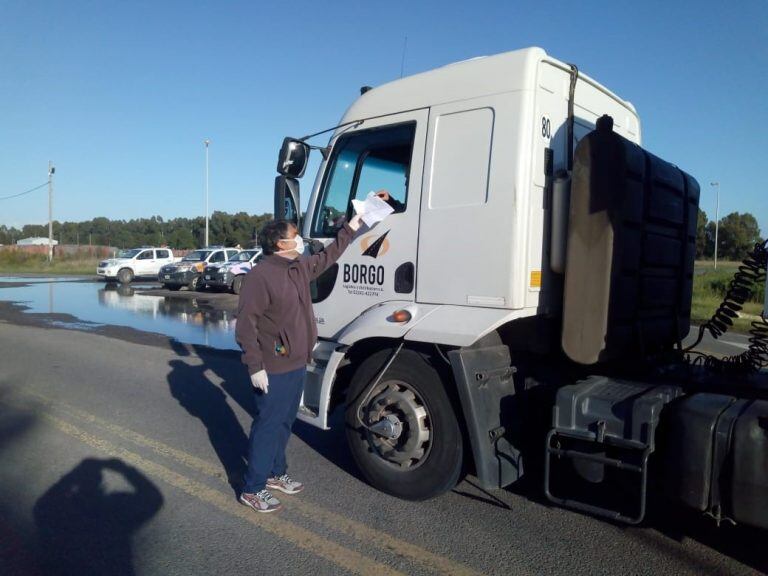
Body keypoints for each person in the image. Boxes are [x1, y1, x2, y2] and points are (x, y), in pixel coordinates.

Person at [235, 213, 364, 513]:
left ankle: (275, 473)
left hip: (296, 362)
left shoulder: (298, 267)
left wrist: (353, 226)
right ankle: (252, 488)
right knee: (268, 425)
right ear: (281, 243)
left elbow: (330, 255)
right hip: (272, 367)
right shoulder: (260, 276)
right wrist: (254, 365)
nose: (300, 240)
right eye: (295, 235)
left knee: (284, 422)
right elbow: (245, 326)